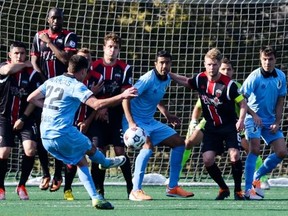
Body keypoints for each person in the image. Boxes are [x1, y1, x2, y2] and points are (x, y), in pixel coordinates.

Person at [27, 54, 137, 209]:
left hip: (45, 136)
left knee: (81, 161)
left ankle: (96, 198)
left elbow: (31, 98)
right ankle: (105, 162)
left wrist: (50, 107)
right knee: (90, 148)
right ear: (84, 71)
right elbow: (97, 104)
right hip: (63, 133)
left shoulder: (52, 81)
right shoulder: (76, 85)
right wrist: (123, 95)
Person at [170, 48, 247, 200]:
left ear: (219, 65)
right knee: (207, 159)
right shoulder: (200, 79)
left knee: (235, 155)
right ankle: (223, 188)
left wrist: (241, 120)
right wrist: (169, 74)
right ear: (205, 64)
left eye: (214, 64)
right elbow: (186, 81)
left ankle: (238, 190)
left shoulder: (229, 85)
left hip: (229, 126)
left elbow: (243, 103)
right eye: (209, 64)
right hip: (211, 127)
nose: (211, 68)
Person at [181, 57, 270, 190]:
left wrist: (252, 116)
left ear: (233, 71)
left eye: (229, 69)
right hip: (210, 122)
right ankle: (174, 175)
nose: (226, 71)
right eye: (223, 69)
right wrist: (193, 121)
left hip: (231, 123)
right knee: (189, 142)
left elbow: (243, 105)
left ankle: (261, 179)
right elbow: (198, 106)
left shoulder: (235, 86)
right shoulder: (208, 83)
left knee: (249, 148)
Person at [122, 50, 194, 201]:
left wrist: (166, 114)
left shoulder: (167, 78)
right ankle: (135, 191)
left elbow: (154, 97)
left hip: (150, 121)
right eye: (161, 63)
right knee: (148, 146)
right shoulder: (147, 78)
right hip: (135, 121)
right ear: (155, 64)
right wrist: (131, 123)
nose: (164, 66)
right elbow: (125, 98)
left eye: (167, 63)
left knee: (180, 143)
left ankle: (173, 187)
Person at [31, 7, 78, 192]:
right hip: (44, 87)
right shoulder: (38, 36)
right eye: (53, 18)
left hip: (62, 91)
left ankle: (58, 173)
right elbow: (35, 61)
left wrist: (49, 42)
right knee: (41, 134)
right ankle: (45, 173)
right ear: (47, 19)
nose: (56, 21)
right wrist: (43, 80)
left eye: (59, 18)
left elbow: (66, 60)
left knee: (58, 132)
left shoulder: (69, 36)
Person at [84, 33, 133, 199]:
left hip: (115, 114)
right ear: (104, 48)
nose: (112, 50)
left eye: (116, 47)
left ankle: (131, 188)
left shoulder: (125, 69)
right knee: (98, 152)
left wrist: (105, 106)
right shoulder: (94, 67)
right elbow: (88, 92)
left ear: (119, 50)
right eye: (110, 47)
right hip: (96, 114)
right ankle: (99, 190)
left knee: (120, 150)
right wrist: (98, 108)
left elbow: (124, 94)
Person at [240, 45, 287, 200]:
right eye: (264, 59)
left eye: (270, 59)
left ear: (275, 60)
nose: (267, 62)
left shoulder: (281, 76)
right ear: (260, 60)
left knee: (282, 152)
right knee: (255, 149)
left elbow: (281, 100)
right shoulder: (254, 76)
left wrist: (277, 121)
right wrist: (253, 115)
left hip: (270, 120)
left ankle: (257, 176)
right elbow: (241, 100)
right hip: (252, 118)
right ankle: (248, 190)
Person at [0, 41, 42, 200]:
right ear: (9, 55)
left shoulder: (32, 74)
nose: (19, 56)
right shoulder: (4, 67)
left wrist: (23, 118)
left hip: (26, 117)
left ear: (26, 54)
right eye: (16, 53)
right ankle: (1, 187)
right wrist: (26, 63)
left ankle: (22, 185)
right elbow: (8, 69)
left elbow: (33, 99)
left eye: (22, 53)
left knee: (30, 149)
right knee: (3, 152)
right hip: (4, 117)